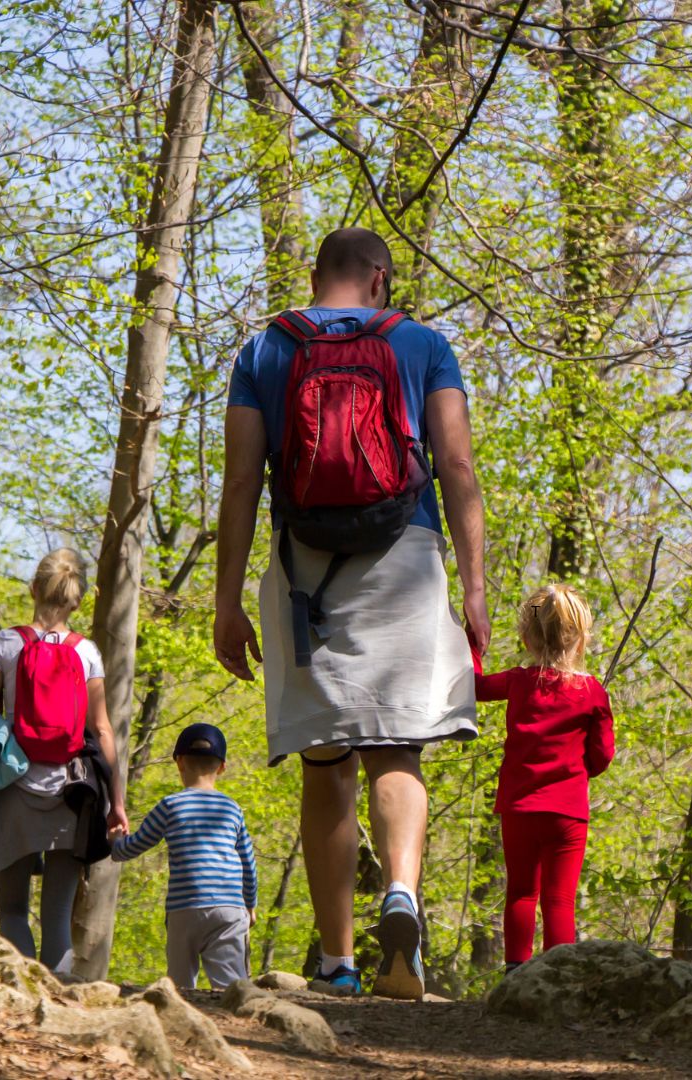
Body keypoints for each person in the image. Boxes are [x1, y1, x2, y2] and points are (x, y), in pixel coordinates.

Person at [212, 227, 489, 999]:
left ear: (315, 275)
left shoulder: (267, 349)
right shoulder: (422, 344)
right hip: (405, 556)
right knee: (398, 751)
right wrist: (473, 588)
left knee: (325, 764)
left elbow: (241, 482)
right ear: (379, 278)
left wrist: (228, 600)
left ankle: (337, 963)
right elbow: (457, 464)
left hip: (307, 574)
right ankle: (401, 893)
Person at [0, 549, 124, 975]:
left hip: (11, 789)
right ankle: (60, 1004)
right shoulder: (86, 651)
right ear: (77, 600)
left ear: (33, 589)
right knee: (57, 918)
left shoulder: (6, 644)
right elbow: (104, 730)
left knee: (13, 911)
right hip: (72, 795)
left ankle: (21, 999)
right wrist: (118, 804)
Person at [472, 585, 615, 971]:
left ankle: (516, 969)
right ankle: (557, 975)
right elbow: (602, 758)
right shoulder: (592, 692)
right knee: (559, 899)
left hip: (520, 807)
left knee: (520, 892)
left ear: (526, 638)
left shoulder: (519, 681)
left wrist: (472, 644)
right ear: (582, 638)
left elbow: (475, 687)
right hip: (567, 813)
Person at [109, 722, 259, 990]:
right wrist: (250, 903)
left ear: (179, 763)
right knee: (232, 988)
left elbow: (132, 848)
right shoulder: (232, 809)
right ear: (222, 767)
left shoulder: (170, 805)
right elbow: (248, 862)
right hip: (229, 908)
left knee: (180, 988)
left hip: (184, 908)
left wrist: (116, 840)